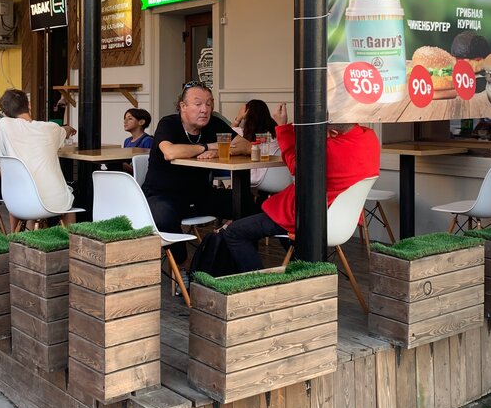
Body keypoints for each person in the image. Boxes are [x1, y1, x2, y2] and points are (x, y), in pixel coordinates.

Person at [222, 105, 381, 272]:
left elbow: (295, 166)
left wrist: (282, 126)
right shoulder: (370, 137)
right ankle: (303, 273)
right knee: (285, 235)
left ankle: (262, 283)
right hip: (343, 221)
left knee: (233, 232)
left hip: (307, 218)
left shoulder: (327, 150)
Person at [143, 82, 234, 266]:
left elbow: (246, 145)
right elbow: (170, 152)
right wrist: (207, 146)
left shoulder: (214, 124)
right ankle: (182, 265)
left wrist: (217, 151)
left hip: (200, 195)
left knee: (245, 203)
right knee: (163, 218)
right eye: (198, 104)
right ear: (183, 106)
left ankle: (225, 253)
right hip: (162, 195)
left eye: (209, 104)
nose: (205, 110)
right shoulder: (169, 123)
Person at [0, 88, 78, 224]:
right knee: (70, 200)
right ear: (29, 105)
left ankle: (15, 234)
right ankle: (70, 235)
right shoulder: (50, 128)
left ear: (5, 113)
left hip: (15, 202)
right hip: (53, 203)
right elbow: (66, 131)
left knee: (23, 188)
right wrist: (68, 128)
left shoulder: (4, 125)